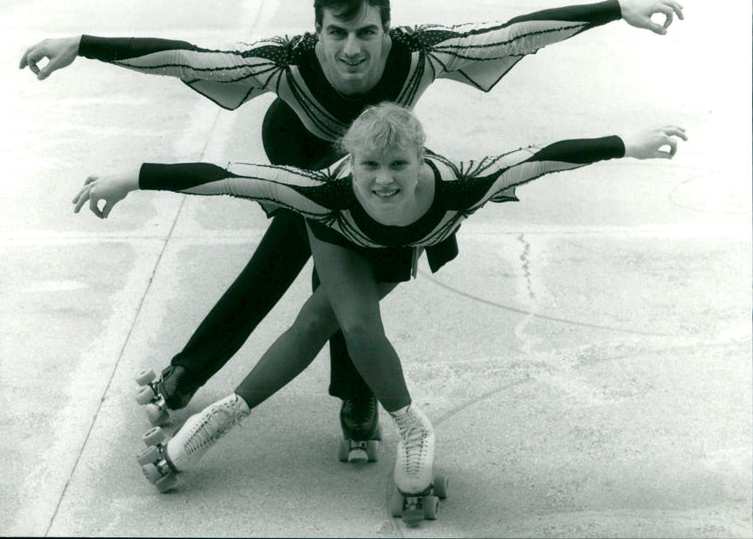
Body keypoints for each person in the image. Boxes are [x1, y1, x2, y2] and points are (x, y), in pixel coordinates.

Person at [24, 0, 685, 442]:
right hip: (300, 149)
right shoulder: (286, 63)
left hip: (376, 158)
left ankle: (346, 398)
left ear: (386, 29)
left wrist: (617, 6)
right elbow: (187, 58)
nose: (352, 48)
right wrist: (82, 46)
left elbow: (513, 35)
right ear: (316, 31)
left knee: (351, 279)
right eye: (337, 31)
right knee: (289, 254)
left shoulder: (423, 53)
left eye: (366, 32)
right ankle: (196, 375)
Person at [73, 102, 687, 498]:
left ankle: (241, 419)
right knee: (349, 325)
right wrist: (131, 177)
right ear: (350, 160)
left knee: (322, 318)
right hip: (338, 232)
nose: (384, 178)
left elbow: (545, 156)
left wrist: (628, 143)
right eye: (369, 164)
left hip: (402, 241)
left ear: (422, 159)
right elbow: (219, 175)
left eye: (398, 163)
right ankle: (237, 420)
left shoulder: (464, 184)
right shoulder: (323, 190)